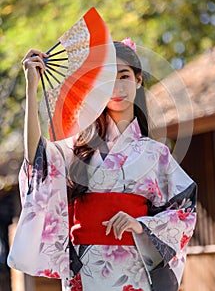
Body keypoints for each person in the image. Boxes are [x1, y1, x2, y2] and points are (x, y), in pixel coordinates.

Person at [8, 39, 197, 291]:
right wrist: (32, 87)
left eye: (124, 76)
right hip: (83, 269)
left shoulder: (156, 154)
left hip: (133, 269)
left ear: (138, 80)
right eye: (108, 79)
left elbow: (185, 211)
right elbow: (37, 160)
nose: (117, 87)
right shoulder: (76, 148)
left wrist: (140, 224)